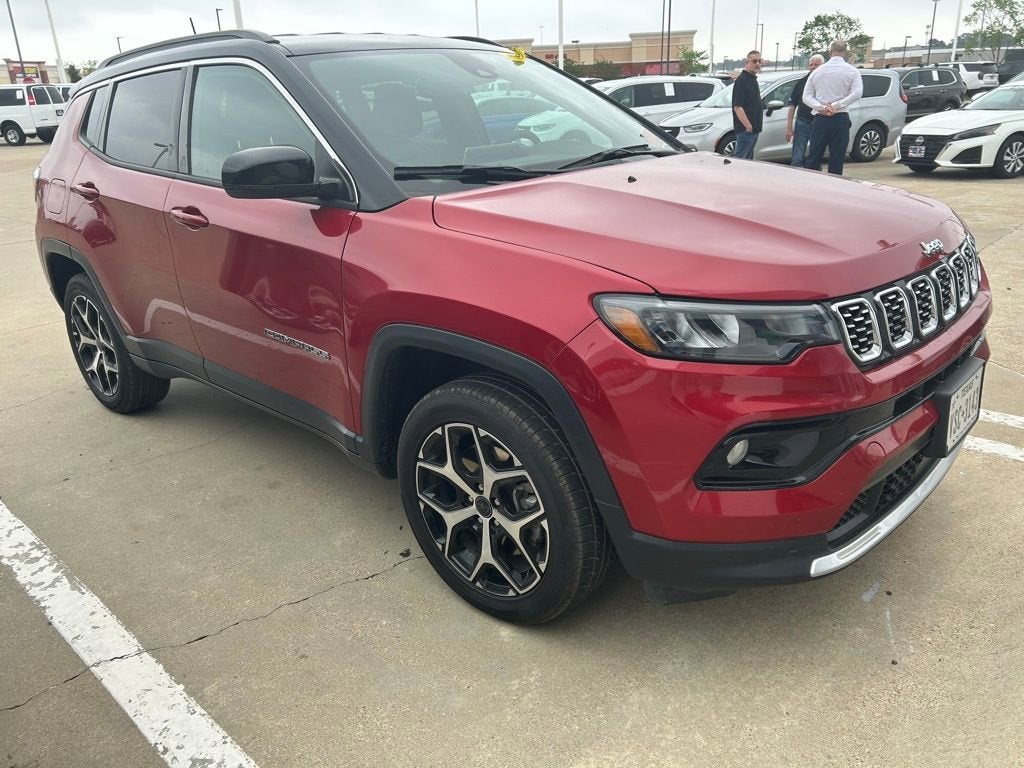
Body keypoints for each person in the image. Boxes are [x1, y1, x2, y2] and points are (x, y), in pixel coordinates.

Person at [802, 40, 863, 175]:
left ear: (830, 52)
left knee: (814, 156)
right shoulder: (852, 71)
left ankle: (809, 188)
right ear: (845, 52)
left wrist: (822, 107)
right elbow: (857, 93)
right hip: (840, 118)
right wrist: (836, 105)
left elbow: (806, 97)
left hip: (820, 118)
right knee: (837, 158)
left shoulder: (817, 72)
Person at [785, 54, 824, 167]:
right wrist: (789, 128)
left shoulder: (826, 83)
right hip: (802, 122)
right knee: (797, 156)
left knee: (816, 156)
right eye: (811, 65)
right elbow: (792, 106)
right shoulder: (802, 83)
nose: (813, 67)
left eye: (816, 64)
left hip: (819, 123)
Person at [731, 50, 762, 159]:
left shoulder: (752, 80)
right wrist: (748, 126)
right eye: (754, 61)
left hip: (753, 130)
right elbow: (738, 107)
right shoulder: (742, 81)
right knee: (740, 162)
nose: (757, 64)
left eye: (759, 61)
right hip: (746, 131)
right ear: (747, 62)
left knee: (748, 163)